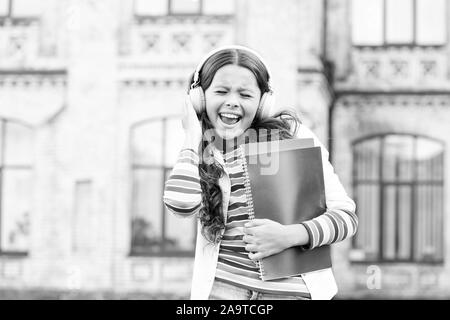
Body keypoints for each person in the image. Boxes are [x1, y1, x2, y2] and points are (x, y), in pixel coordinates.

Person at [163, 45, 358, 300]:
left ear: (263, 102)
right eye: (221, 91)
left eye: (245, 94)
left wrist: (289, 235)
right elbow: (181, 206)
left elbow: (346, 217)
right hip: (223, 294)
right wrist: (191, 135)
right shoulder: (200, 150)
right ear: (200, 98)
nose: (232, 101)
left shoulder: (293, 136)